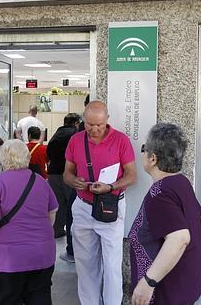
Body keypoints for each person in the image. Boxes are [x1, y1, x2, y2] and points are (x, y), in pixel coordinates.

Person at [63, 100, 137, 305]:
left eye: (99, 125)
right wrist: (74, 181)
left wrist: (110, 187)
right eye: (89, 124)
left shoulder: (121, 140)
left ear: (107, 121)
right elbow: (66, 173)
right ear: (83, 121)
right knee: (85, 264)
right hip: (83, 207)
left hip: (110, 206)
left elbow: (132, 176)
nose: (94, 129)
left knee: (112, 265)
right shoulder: (75, 141)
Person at [129, 123, 201, 305]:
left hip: (166, 292)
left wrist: (148, 282)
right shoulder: (181, 182)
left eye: (144, 148)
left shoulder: (160, 194)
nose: (142, 153)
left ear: (152, 158)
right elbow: (198, 217)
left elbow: (179, 238)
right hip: (184, 284)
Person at [0, 139, 58, 305]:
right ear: (27, 157)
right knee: (40, 297)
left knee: (8, 299)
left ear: (2, 160)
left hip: (9, 258)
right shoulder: (40, 181)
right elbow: (52, 212)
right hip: (42, 254)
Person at [47, 113, 81, 251]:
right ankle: (72, 243)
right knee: (71, 206)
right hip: (68, 173)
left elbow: (49, 152)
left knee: (57, 204)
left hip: (53, 172)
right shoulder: (75, 134)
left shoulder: (57, 133)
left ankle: (57, 230)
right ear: (75, 122)